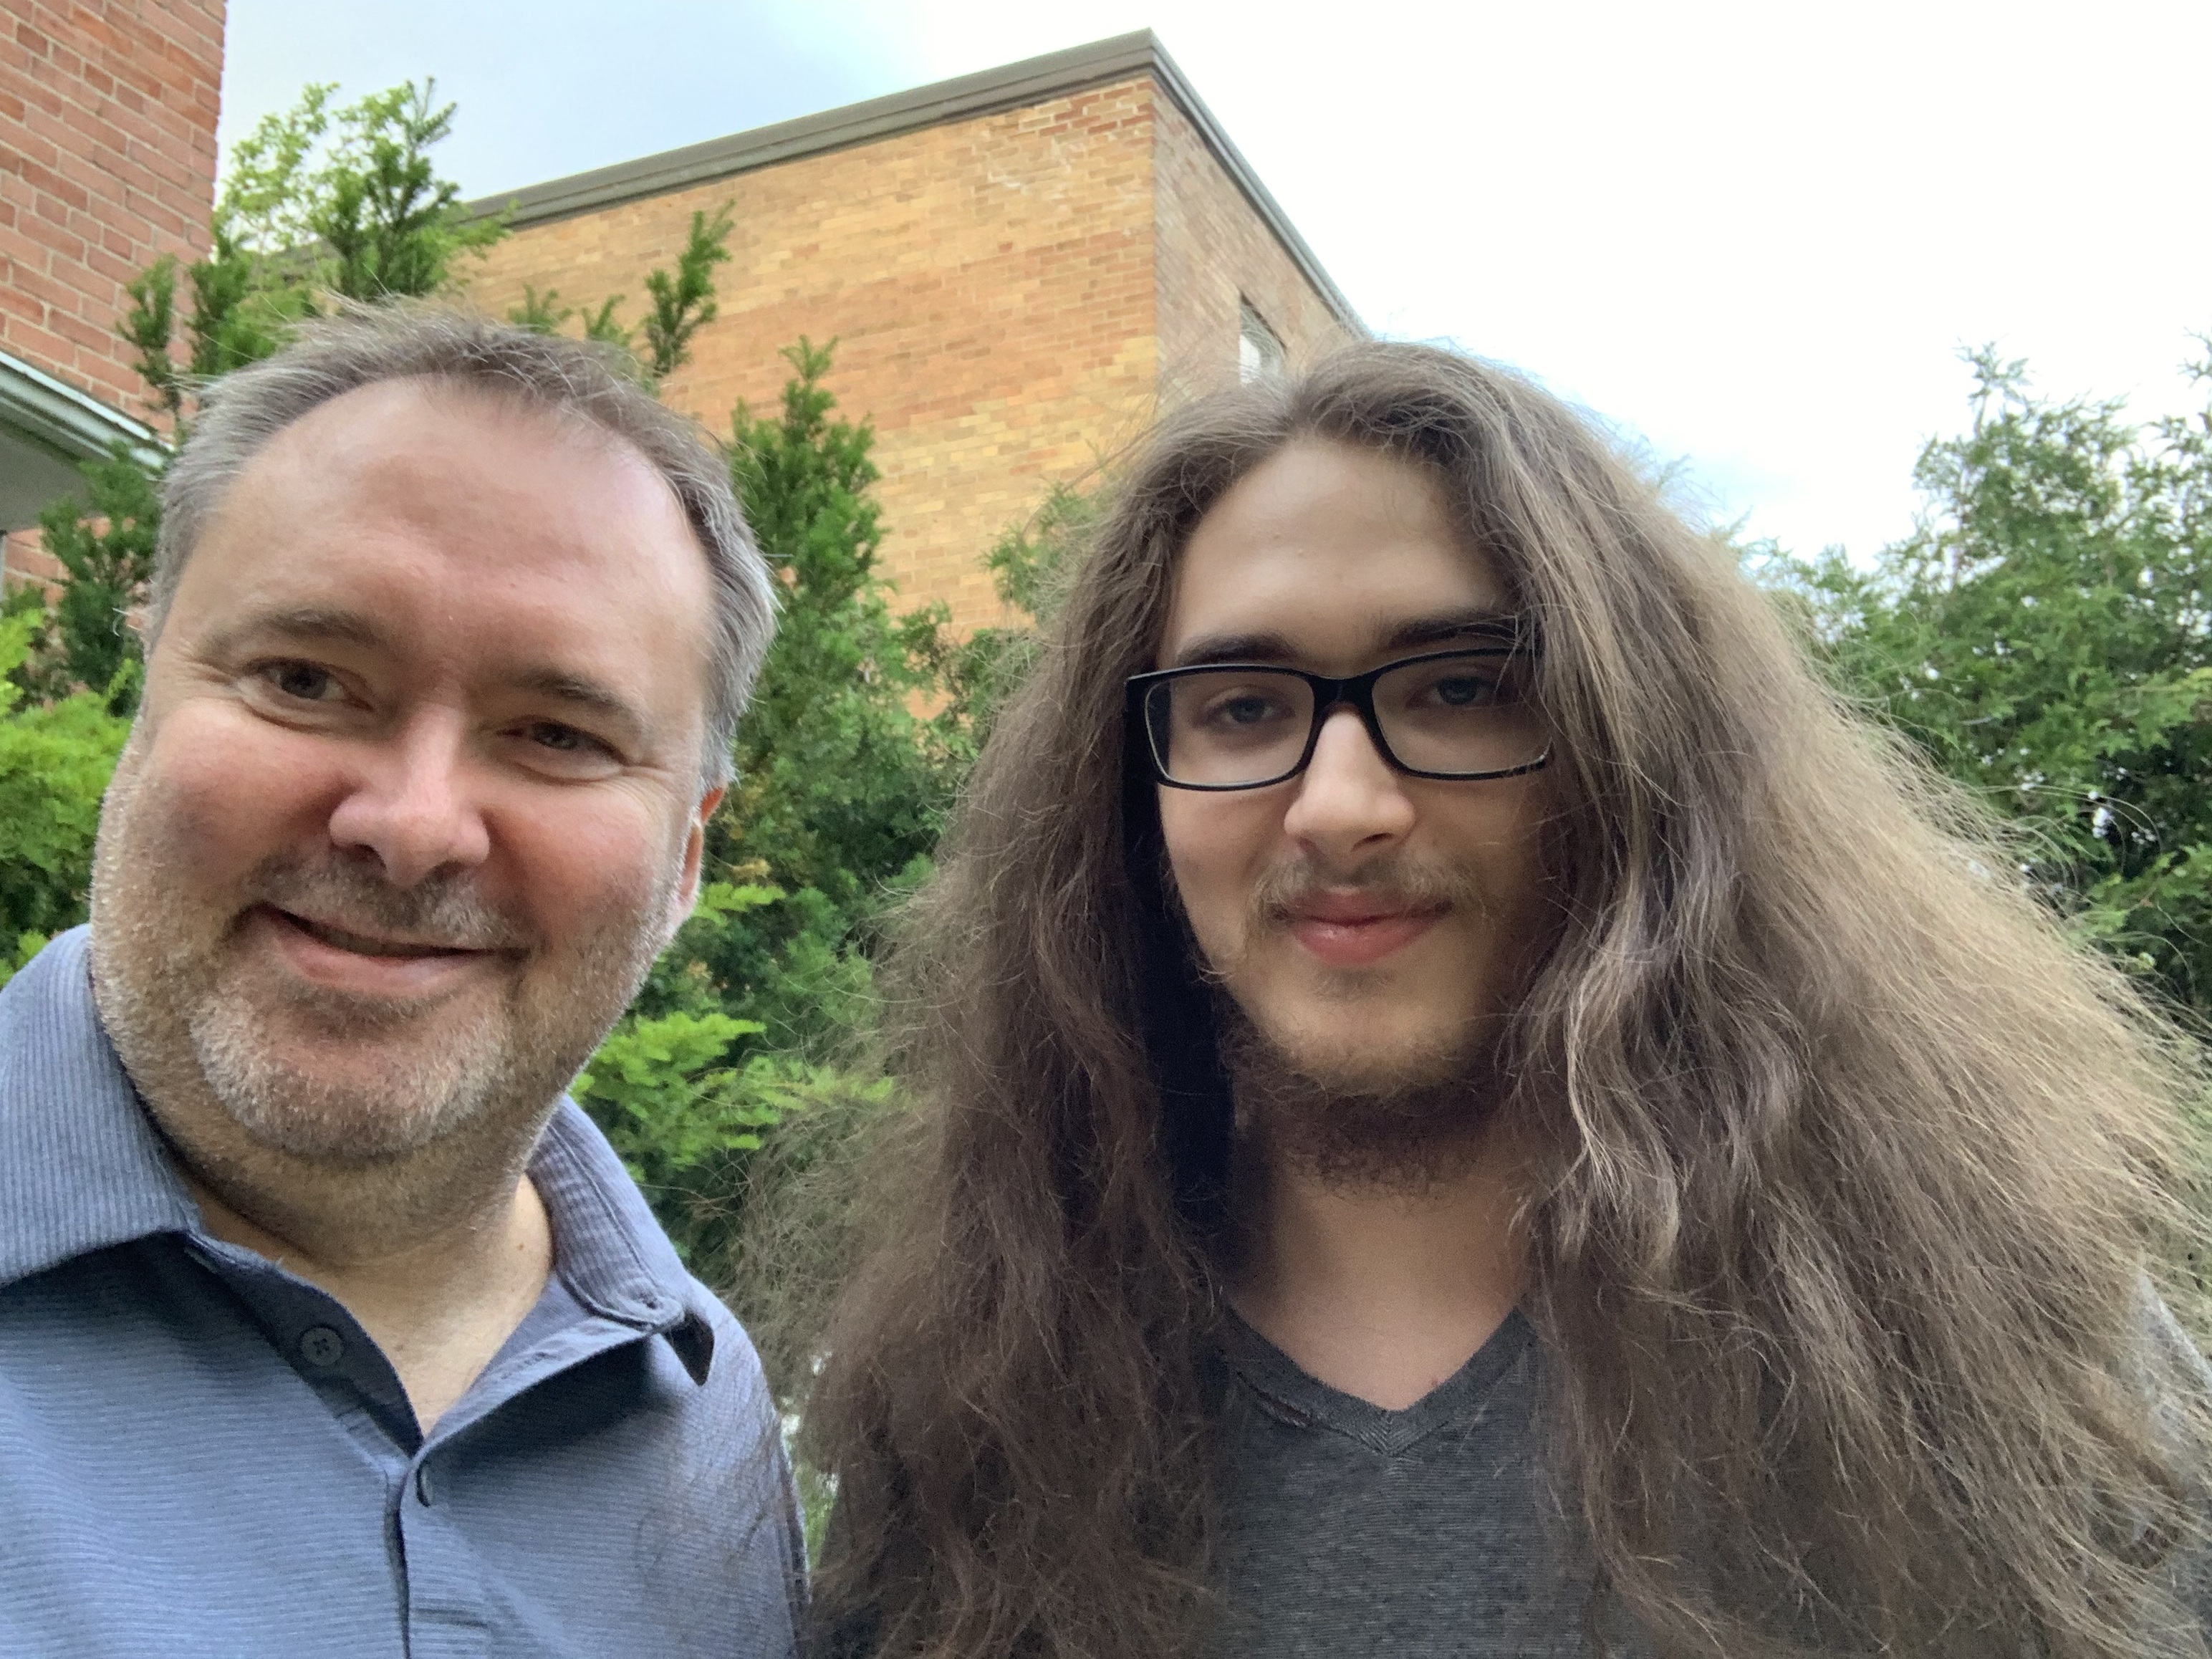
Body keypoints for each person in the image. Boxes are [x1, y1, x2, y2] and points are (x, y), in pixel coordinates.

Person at [802, 341, 2212, 1658]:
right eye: (1239, 708)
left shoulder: (1999, 1346)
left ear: (1626, 753)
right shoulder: (968, 1414)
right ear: (1129, 806)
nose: (1338, 805)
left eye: (1461, 687)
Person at [0, 308, 802, 1657]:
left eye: (557, 734)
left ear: (685, 860)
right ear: (143, 699)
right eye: (306, 679)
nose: (414, 824)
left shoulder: (706, 1412)